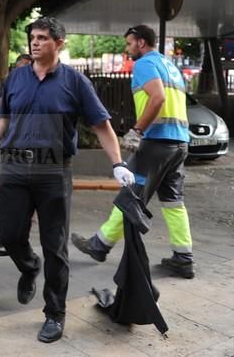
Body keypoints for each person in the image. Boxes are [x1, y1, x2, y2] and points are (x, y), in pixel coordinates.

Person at [0, 17, 134, 344]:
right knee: (10, 235)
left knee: (55, 247)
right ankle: (30, 266)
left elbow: (101, 126)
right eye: (33, 37)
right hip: (14, 168)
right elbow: (2, 120)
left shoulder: (75, 83)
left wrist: (117, 163)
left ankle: (54, 314)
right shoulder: (15, 78)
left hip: (53, 172)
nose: (35, 42)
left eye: (43, 38)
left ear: (59, 43)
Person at [71, 24, 194, 278]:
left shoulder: (145, 65)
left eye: (129, 44)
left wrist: (137, 130)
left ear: (140, 42)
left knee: (131, 196)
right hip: (179, 144)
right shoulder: (171, 67)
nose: (127, 49)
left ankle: (99, 245)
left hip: (156, 143)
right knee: (173, 201)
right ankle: (183, 257)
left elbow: (157, 98)